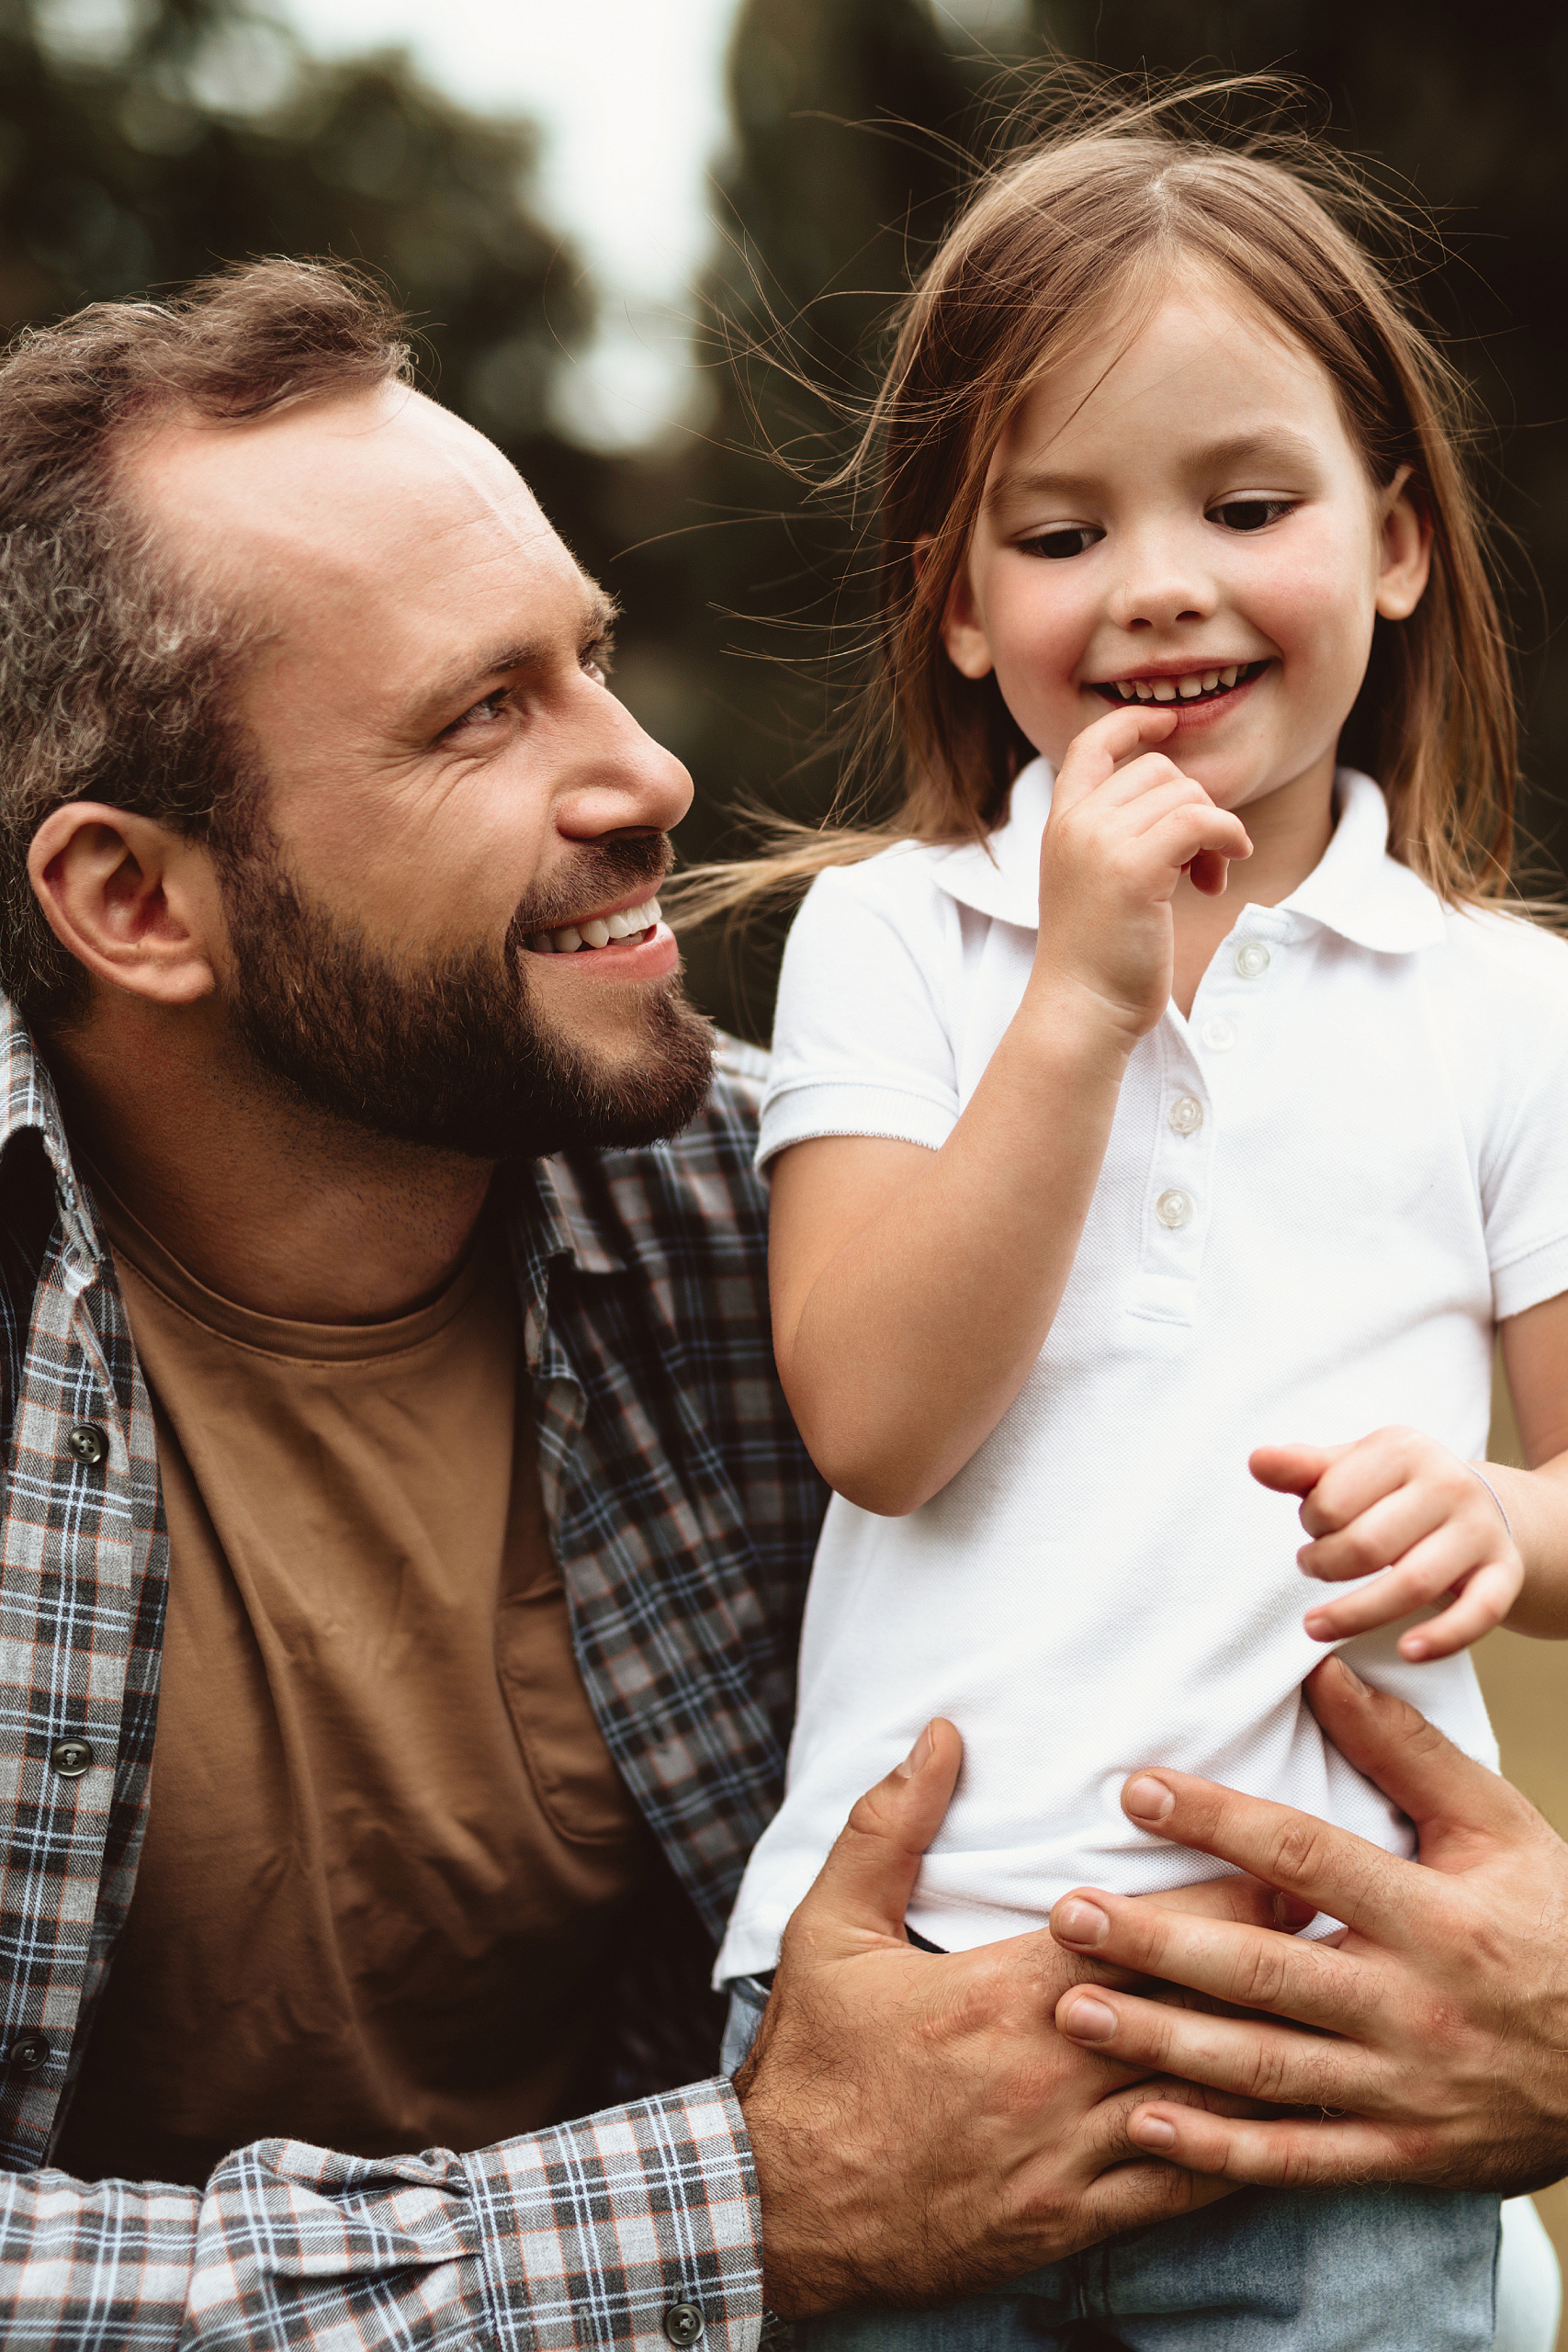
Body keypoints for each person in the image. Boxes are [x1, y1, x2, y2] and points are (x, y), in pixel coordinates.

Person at [0, 253, 1562, 2352]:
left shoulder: (768, 1206)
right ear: (129, 898)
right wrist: (741, 2206)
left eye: (592, 660)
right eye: (482, 712)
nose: (649, 772)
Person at [707, 91, 1568, 2351]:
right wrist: (1083, 992)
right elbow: (879, 1421)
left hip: (1340, 2030)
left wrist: (1500, 1507)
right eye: (1063, 530)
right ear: (962, 604)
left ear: (1393, 545)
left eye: (1246, 503)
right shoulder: (891, 942)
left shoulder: (1507, 1008)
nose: (1160, 580)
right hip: (914, 2004)